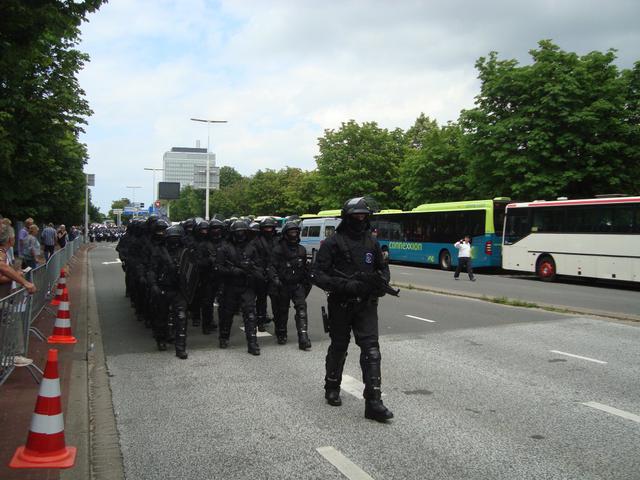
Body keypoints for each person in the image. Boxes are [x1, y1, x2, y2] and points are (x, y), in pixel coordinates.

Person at [312, 197, 394, 422]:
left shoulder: (372, 243)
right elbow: (318, 274)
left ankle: (374, 402)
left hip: (366, 304)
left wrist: (380, 284)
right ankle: (332, 386)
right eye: (356, 216)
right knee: (339, 346)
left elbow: (382, 268)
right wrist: (345, 285)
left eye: (364, 216)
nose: (360, 220)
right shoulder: (332, 243)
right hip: (341, 303)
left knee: (372, 351)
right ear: (347, 218)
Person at [216, 220, 262, 355]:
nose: (241, 234)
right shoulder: (225, 248)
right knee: (227, 314)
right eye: (238, 232)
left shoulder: (252, 248)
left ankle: (252, 343)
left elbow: (259, 267)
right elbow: (218, 267)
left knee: (250, 315)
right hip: (230, 286)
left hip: (247, 286)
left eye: (243, 232)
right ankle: (224, 337)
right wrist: (232, 271)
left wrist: (252, 268)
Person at [147, 221, 189, 359]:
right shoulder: (159, 251)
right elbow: (152, 270)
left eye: (177, 239)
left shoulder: (185, 252)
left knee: (181, 318)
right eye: (172, 239)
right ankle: (161, 340)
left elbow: (192, 270)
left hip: (179, 290)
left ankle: (180, 347)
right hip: (163, 288)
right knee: (161, 317)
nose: (174, 242)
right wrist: (153, 285)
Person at [268, 221, 312, 350]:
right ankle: (281, 333)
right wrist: (276, 280)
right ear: (286, 234)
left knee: (302, 309)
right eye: (291, 232)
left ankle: (303, 337)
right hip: (283, 285)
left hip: (297, 285)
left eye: (296, 232)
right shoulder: (278, 249)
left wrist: (308, 279)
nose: (294, 234)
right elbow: (271, 267)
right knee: (282, 312)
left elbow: (305, 269)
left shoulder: (302, 250)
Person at [0, 224, 36, 297]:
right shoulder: (1, 253)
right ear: (10, 239)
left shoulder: (4, 252)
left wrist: (14, 273)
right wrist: (19, 277)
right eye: (14, 237)